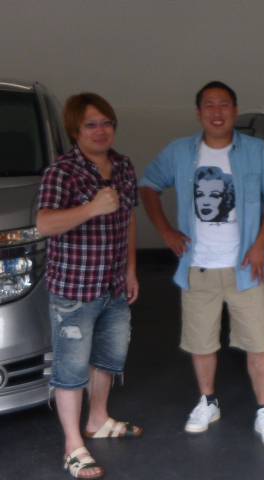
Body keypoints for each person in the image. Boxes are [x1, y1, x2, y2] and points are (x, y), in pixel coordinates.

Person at [139, 80, 264, 446]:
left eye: (224, 105)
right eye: (209, 105)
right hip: (198, 267)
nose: (217, 112)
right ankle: (208, 401)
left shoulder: (257, 151)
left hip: (246, 267)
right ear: (198, 113)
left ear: (235, 111)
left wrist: (260, 246)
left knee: (259, 344)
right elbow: (149, 185)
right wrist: (166, 231)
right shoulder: (180, 152)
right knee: (201, 342)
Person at [37, 93, 141, 479]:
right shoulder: (61, 172)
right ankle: (72, 447)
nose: (101, 131)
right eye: (91, 125)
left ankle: (97, 420)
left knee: (108, 358)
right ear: (75, 131)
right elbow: (44, 223)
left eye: (106, 123)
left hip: (113, 285)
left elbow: (129, 219)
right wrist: (91, 208)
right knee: (71, 368)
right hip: (75, 290)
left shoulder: (123, 166)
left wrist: (131, 269)